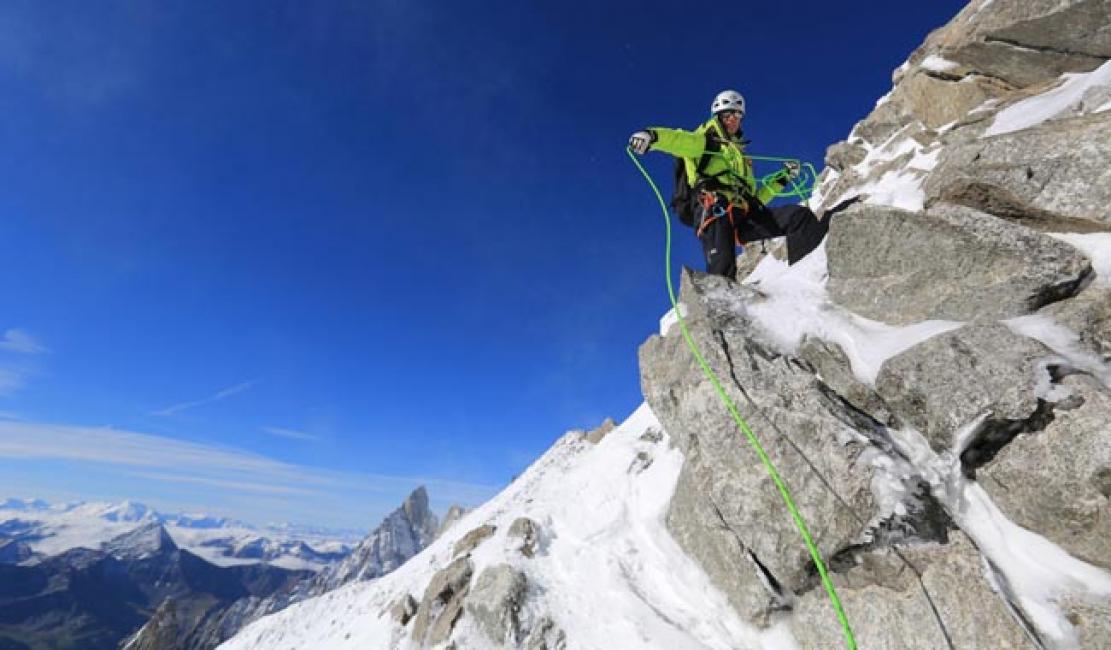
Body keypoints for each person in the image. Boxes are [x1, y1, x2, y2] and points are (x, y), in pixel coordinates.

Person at [629, 89, 829, 277]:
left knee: (798, 217)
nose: (733, 120)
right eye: (728, 115)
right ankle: (719, 305)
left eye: (737, 116)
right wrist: (652, 136)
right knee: (723, 267)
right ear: (718, 116)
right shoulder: (705, 141)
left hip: (744, 214)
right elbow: (678, 139)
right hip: (715, 208)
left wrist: (784, 177)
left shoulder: (740, 157)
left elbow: (755, 198)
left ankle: (806, 280)